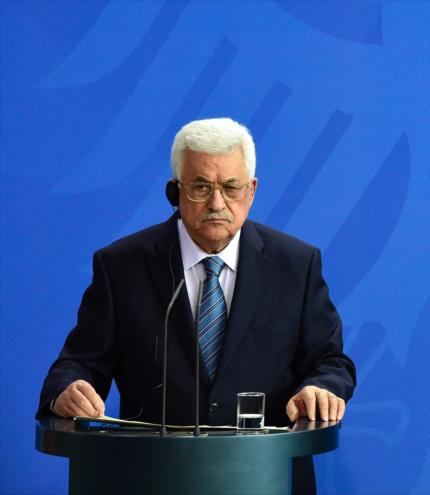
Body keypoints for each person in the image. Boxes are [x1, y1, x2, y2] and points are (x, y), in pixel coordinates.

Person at [37, 117, 355, 492]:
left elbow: (329, 360)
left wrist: (321, 387)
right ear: (175, 192)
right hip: (150, 476)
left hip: (266, 476)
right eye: (201, 187)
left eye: (231, 187)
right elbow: (79, 362)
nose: (217, 203)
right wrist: (68, 389)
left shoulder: (297, 265)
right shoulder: (122, 267)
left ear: (251, 191)